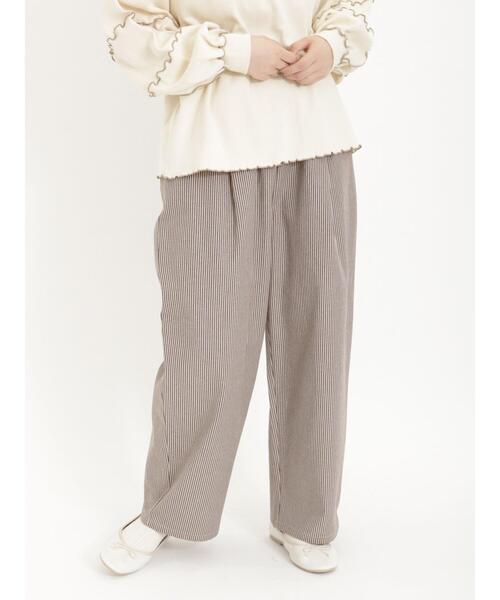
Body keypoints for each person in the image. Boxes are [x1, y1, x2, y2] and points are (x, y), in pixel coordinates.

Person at [100, 0, 373, 575]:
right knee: (205, 345)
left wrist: (330, 46)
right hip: (209, 148)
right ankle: (171, 507)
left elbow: (348, 10)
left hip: (316, 141)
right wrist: (235, 52)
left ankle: (306, 515)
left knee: (318, 335)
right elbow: (132, 36)